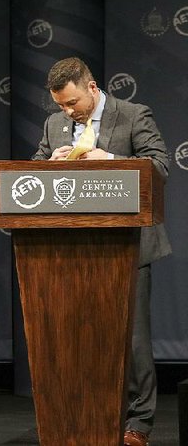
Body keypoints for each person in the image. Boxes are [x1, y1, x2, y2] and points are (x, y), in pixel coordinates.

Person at [33, 56, 171, 446]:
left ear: (92, 88)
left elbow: (159, 167)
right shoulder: (54, 125)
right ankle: (82, 416)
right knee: (76, 337)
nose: (67, 111)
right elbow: (29, 177)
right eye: (60, 105)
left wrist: (109, 160)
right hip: (70, 248)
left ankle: (137, 425)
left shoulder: (132, 115)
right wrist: (49, 165)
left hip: (126, 245)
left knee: (133, 341)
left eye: (72, 103)